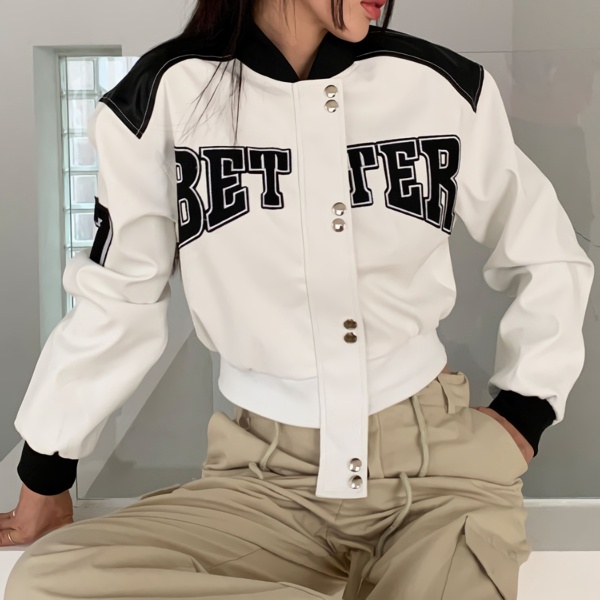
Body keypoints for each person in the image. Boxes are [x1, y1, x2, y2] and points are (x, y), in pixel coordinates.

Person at [1, 0, 594, 598]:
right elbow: (119, 300)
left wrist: (527, 408)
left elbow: (548, 250)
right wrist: (46, 470)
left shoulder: (441, 85)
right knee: (46, 582)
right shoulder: (162, 97)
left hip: (440, 478)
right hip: (259, 482)